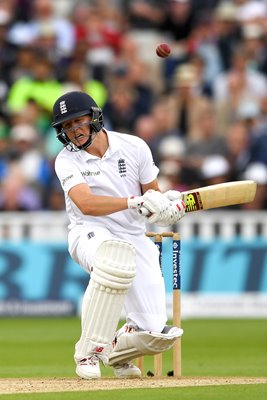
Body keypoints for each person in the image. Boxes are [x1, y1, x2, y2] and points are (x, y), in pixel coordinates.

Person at [51, 91, 186, 379]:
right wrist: (133, 202)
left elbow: (153, 197)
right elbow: (86, 204)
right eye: (66, 126)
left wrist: (165, 207)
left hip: (134, 236)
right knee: (114, 258)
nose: (73, 130)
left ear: (94, 117)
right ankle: (87, 351)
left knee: (153, 333)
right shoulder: (66, 160)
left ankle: (116, 352)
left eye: (78, 121)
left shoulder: (134, 146)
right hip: (88, 232)